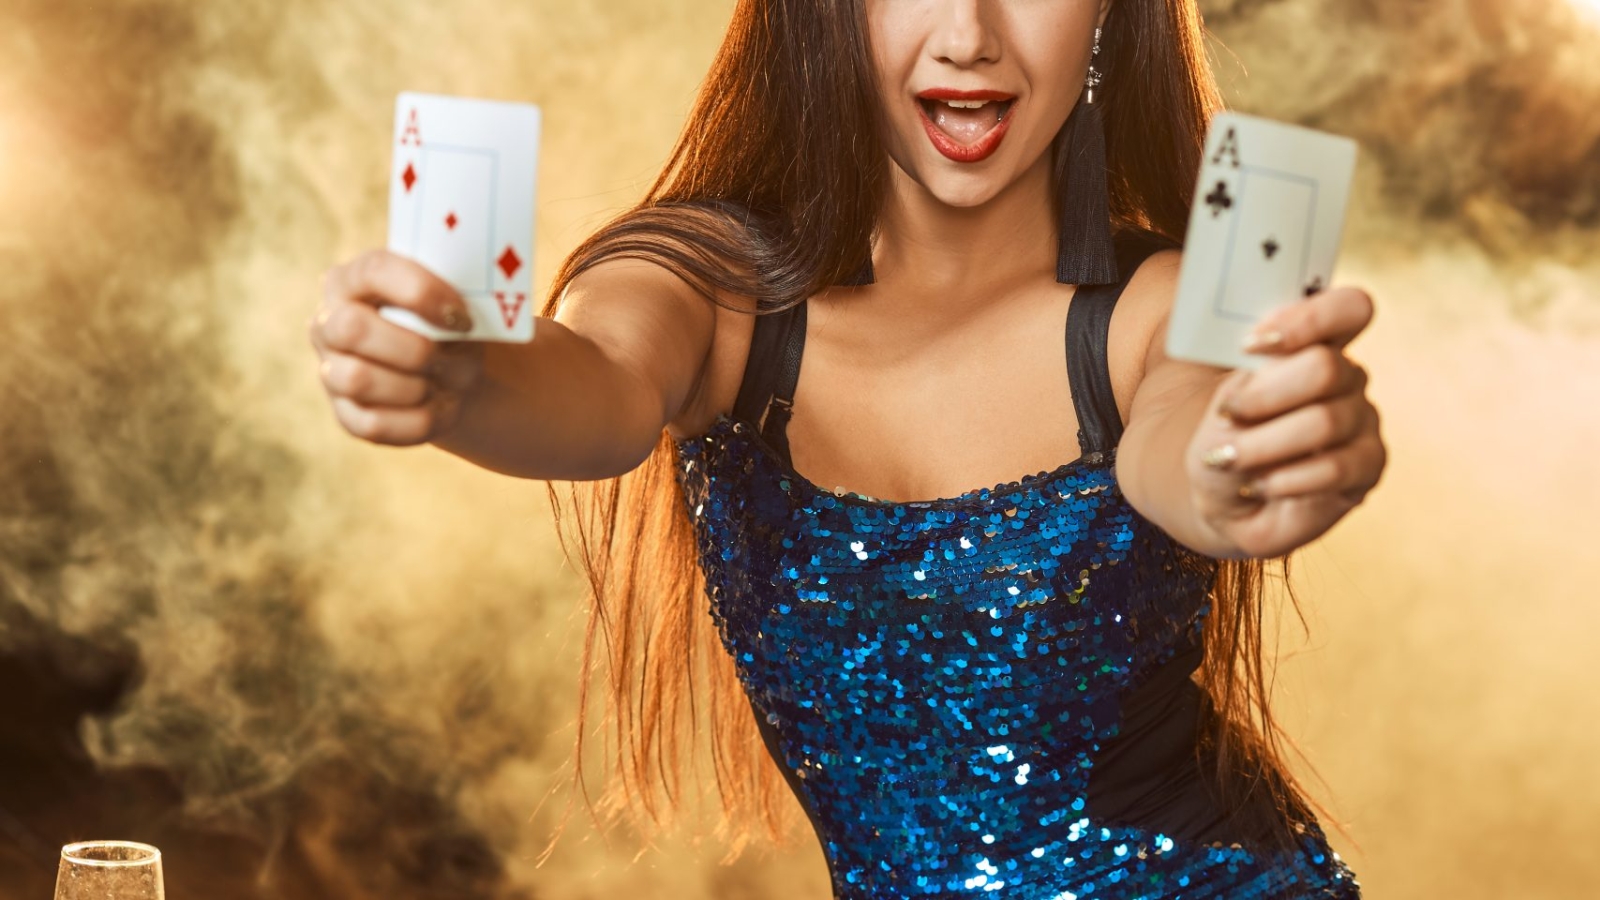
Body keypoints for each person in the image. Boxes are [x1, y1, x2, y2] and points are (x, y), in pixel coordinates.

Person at [308, 0, 1385, 895]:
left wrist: (1240, 465)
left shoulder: (1178, 302)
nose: (969, 33)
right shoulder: (708, 287)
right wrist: (459, 379)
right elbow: (599, 387)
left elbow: (1191, 444)